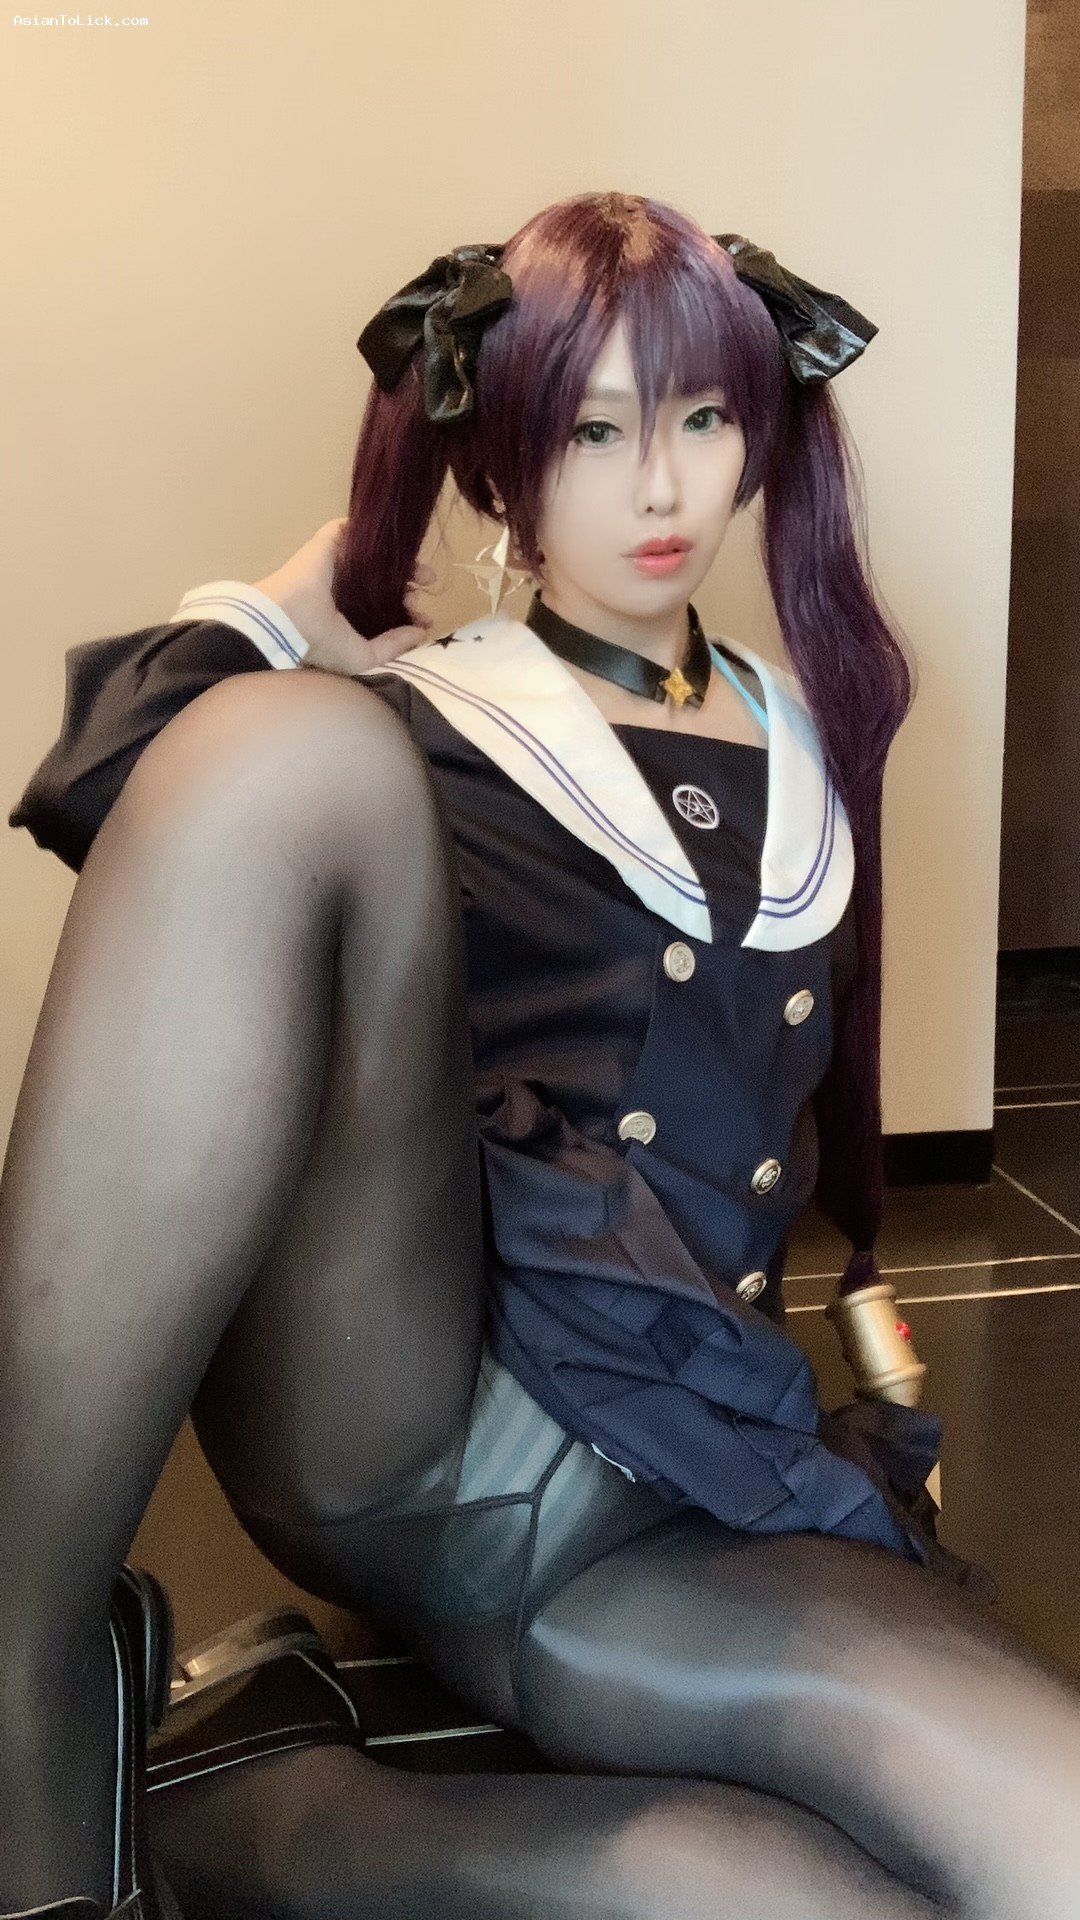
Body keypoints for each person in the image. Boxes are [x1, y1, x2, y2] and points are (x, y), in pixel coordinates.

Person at [6, 189, 1080, 1920]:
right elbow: (129, 802)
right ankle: (26, 1676)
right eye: (592, 431)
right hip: (419, 1414)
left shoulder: (808, 731)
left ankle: (254, 1806)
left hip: (681, 1473)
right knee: (292, 755)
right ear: (499, 460)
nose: (661, 489)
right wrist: (287, 614)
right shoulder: (431, 719)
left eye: (704, 418)